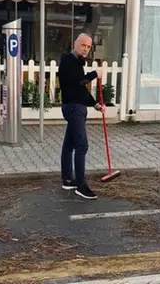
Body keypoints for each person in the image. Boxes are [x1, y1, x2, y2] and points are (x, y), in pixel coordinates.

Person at [58, 33, 106, 200]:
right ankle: (81, 185)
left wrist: (95, 104)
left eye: (88, 47)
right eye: (83, 45)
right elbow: (80, 82)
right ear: (75, 44)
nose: (85, 49)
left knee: (69, 145)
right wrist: (94, 74)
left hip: (76, 107)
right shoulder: (68, 61)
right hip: (73, 109)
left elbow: (80, 89)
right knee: (82, 145)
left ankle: (67, 179)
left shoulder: (76, 62)